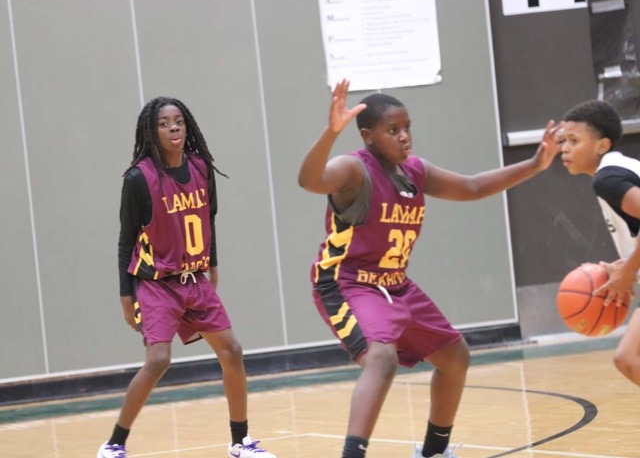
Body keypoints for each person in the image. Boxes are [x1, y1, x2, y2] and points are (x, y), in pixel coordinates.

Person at [297, 79, 560, 458]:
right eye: (393, 130)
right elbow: (309, 181)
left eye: (407, 127)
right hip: (348, 284)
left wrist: (535, 164)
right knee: (381, 358)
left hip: (395, 285)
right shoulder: (353, 169)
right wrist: (331, 132)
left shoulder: (415, 171)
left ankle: (433, 451)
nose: (404, 136)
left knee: (455, 357)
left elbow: (472, 187)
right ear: (368, 136)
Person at [97, 97, 276, 458]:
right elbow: (126, 240)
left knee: (232, 351)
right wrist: (126, 295)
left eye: (178, 121)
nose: (173, 127)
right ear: (152, 131)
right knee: (158, 360)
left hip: (195, 279)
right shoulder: (139, 179)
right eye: (164, 123)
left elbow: (209, 218)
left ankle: (240, 442)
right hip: (156, 283)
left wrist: (212, 263)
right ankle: (114, 443)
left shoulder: (201, 168)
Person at [558, 99, 640, 386]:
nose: (564, 148)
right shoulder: (619, 169)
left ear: (602, 145)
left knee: (628, 358)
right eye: (563, 141)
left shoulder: (608, 179)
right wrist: (627, 265)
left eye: (574, 140)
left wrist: (627, 272)